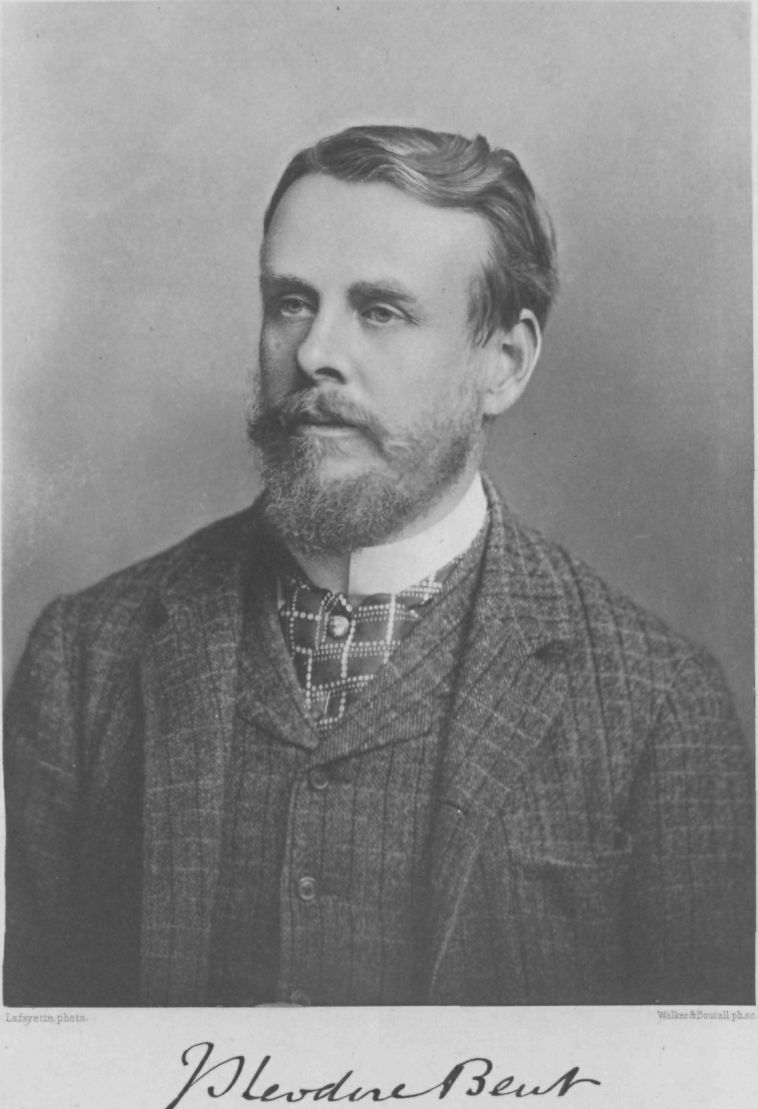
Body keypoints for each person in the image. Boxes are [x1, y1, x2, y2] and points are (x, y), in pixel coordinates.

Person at [4, 125, 754, 1007]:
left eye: (380, 311)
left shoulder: (659, 706)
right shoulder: (83, 662)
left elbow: (691, 1077)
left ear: (504, 364)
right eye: (291, 302)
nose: (314, 352)